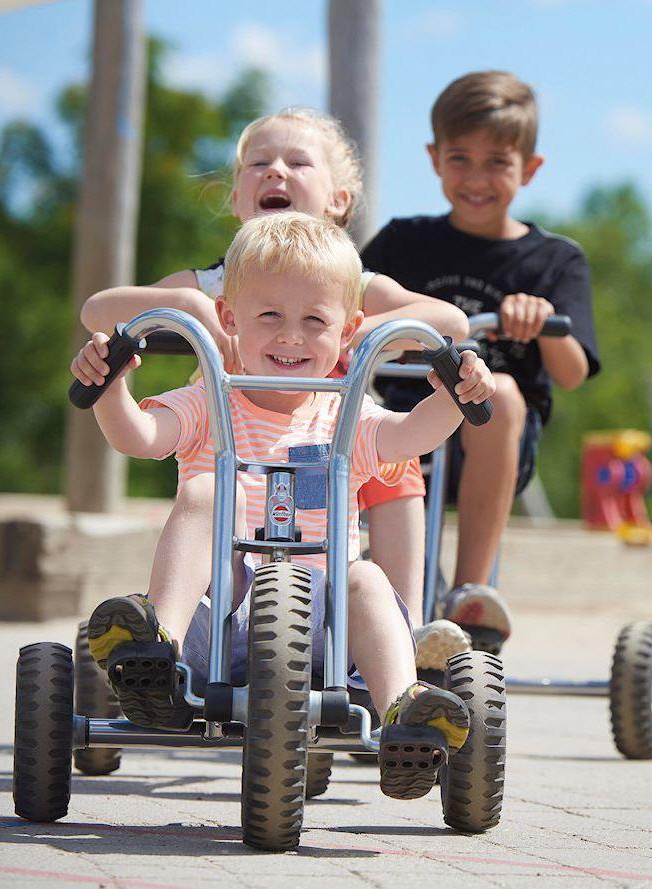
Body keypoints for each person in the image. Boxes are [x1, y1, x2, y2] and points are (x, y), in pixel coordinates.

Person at [75, 212, 496, 799]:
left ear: (348, 331)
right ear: (229, 318)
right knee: (205, 492)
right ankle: (158, 654)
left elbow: (410, 436)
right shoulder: (209, 402)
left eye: (314, 320)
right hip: (220, 620)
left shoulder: (346, 414)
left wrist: (458, 395)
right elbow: (138, 437)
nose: (291, 336)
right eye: (269, 315)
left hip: (329, 634)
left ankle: (405, 710)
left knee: (368, 577)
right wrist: (110, 388)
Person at [78, 107, 473, 670]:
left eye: (297, 162)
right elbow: (99, 310)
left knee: (394, 473)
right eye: (258, 163)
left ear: (337, 200)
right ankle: (159, 649)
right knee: (211, 491)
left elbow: (449, 322)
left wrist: (368, 338)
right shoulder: (216, 282)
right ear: (237, 197)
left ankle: (402, 635)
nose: (276, 172)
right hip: (232, 418)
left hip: (335, 422)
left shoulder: (350, 281)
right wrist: (185, 309)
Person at [362, 71, 601, 653]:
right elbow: (344, 312)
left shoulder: (553, 260)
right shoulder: (403, 242)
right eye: (460, 158)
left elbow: (572, 373)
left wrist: (543, 323)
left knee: (503, 392)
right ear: (434, 158)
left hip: (494, 449)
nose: (475, 178)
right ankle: (391, 625)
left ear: (530, 169)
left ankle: (470, 592)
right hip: (403, 434)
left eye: (497, 161)